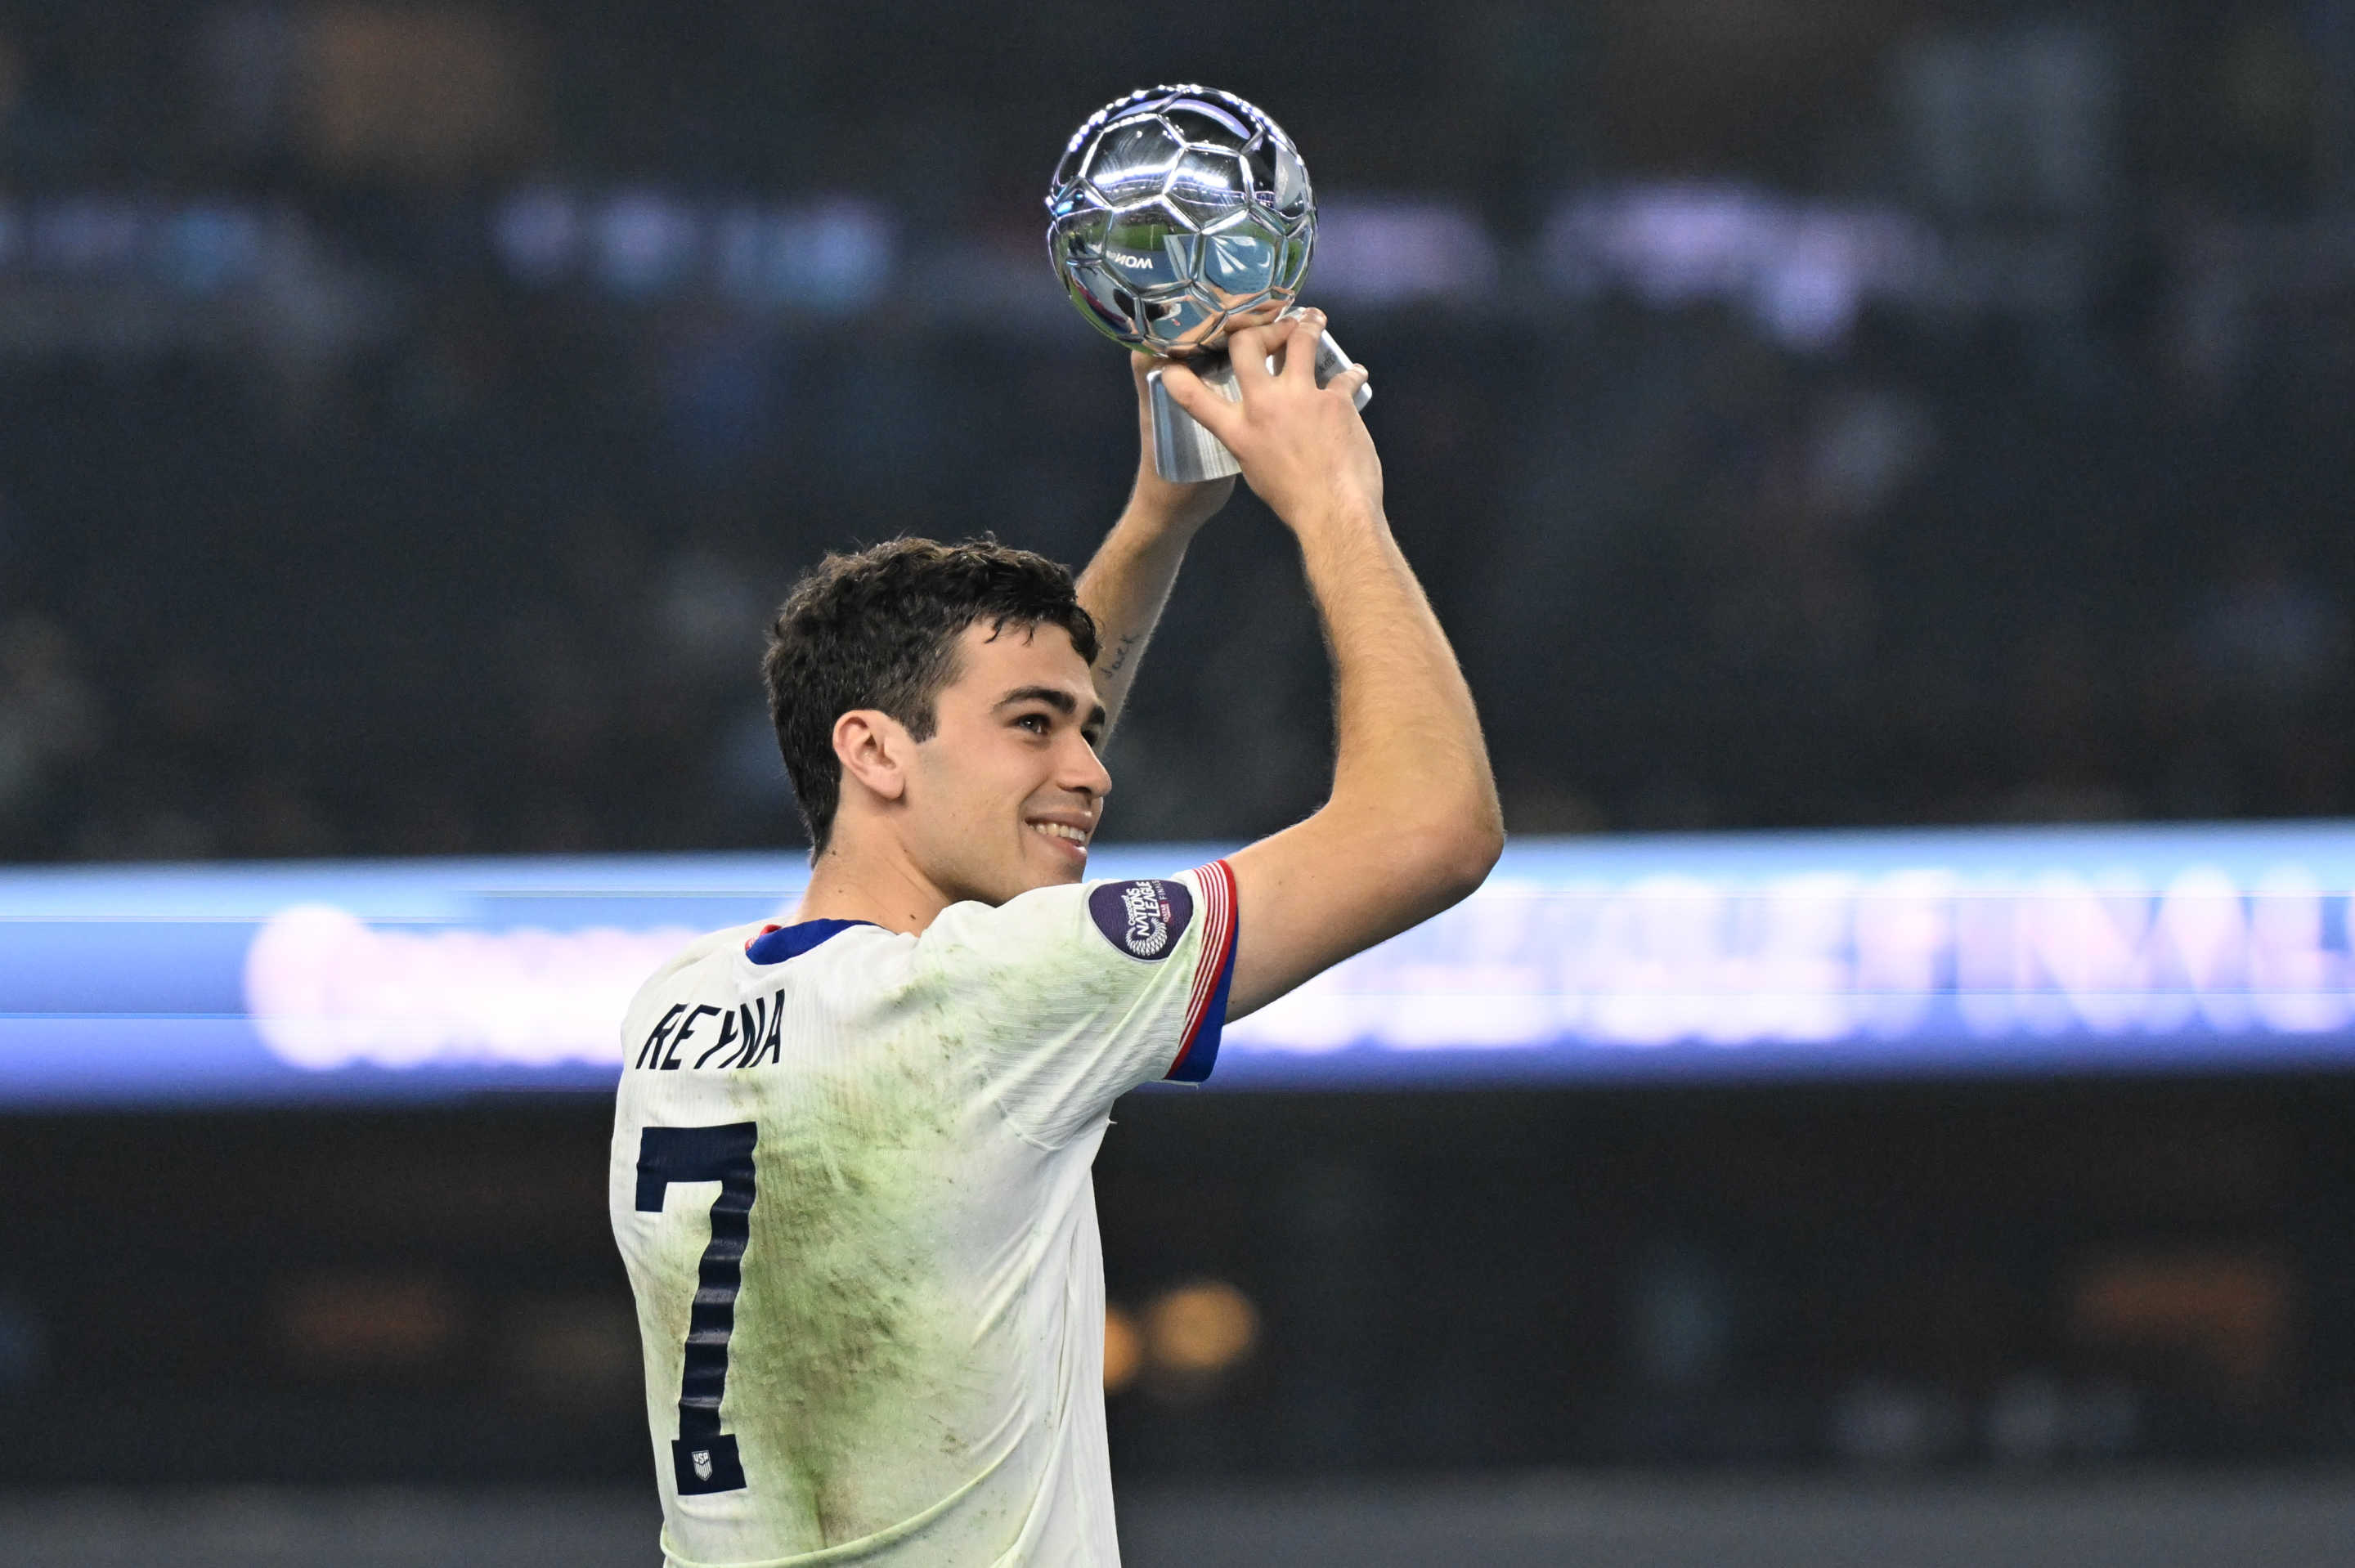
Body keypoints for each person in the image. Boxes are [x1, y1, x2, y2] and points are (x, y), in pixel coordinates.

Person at [608, 310, 1500, 1567]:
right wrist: (1339, 503)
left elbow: (972, 830)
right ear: (869, 747)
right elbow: (1435, 828)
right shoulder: (989, 999)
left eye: (1086, 727)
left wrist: (1157, 522)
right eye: (1039, 723)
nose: (1093, 769)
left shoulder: (679, 1007)